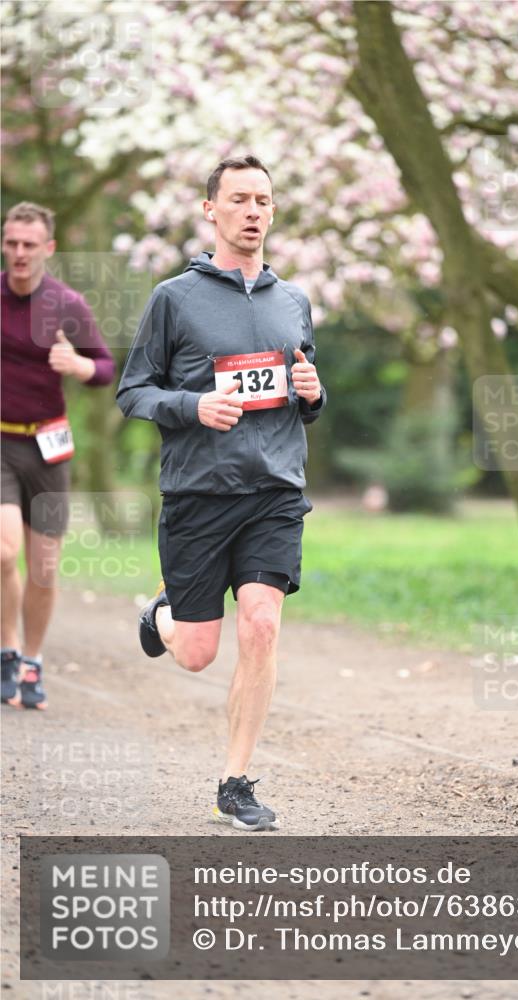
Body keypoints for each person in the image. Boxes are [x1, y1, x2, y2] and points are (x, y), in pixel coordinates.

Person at [116, 154, 326, 832]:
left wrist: (313, 394)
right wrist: (193, 406)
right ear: (211, 210)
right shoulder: (173, 298)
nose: (252, 211)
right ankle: (162, 617)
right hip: (200, 495)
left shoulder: (293, 300)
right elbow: (134, 392)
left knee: (261, 624)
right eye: (238, 199)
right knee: (197, 653)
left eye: (262, 199)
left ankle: (234, 784)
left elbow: (302, 394)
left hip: (275, 492)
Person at [1, 202, 116, 710]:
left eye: (29, 244)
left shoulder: (67, 305)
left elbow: (105, 367)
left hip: (48, 448)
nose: (19, 252)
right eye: (11, 243)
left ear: (48, 248)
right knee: (4, 550)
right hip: (1, 444)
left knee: (44, 568)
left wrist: (77, 365)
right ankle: (6, 649)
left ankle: (32, 660)